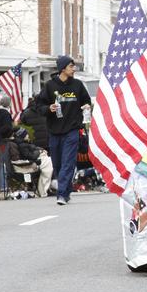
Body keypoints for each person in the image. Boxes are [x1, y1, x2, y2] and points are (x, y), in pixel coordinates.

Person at [33, 55, 92, 205]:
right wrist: (48, 108)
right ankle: (66, 191)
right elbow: (38, 106)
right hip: (54, 131)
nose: (74, 69)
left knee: (68, 162)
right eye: (71, 66)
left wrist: (86, 106)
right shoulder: (50, 86)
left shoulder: (78, 85)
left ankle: (61, 194)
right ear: (63, 68)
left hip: (72, 130)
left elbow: (86, 101)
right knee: (58, 164)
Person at [7, 127, 53, 197]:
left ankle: (46, 188)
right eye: (26, 134)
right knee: (49, 163)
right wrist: (39, 152)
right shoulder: (22, 145)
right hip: (27, 165)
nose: (28, 135)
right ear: (22, 136)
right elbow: (30, 156)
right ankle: (43, 189)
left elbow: (33, 148)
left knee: (49, 161)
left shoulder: (24, 142)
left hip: (31, 161)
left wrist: (41, 150)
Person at [0, 95, 14, 194]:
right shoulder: (5, 114)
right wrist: (10, 132)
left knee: (2, 163)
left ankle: (3, 185)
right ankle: (3, 186)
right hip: (4, 141)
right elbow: (7, 127)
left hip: (0, 140)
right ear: (7, 103)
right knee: (3, 163)